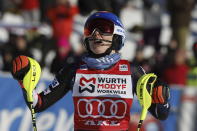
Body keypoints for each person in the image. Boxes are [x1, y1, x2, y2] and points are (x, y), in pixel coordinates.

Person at [11, 11, 170, 131]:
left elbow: (160, 113)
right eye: (91, 30)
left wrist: (162, 97)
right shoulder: (73, 70)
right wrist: (24, 80)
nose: (96, 34)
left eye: (103, 29)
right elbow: (38, 104)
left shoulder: (132, 71)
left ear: (117, 36)